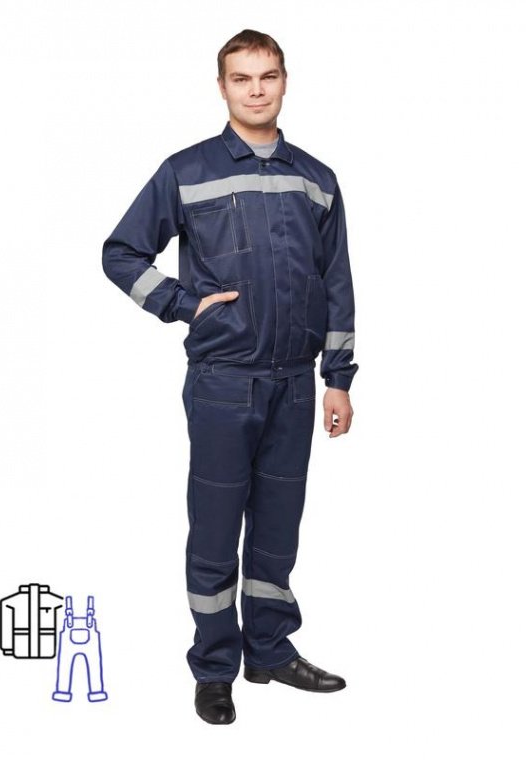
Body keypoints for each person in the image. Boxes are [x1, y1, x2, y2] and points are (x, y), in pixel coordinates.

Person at [102, 29, 358, 725]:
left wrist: (338, 378)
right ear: (222, 87)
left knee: (277, 527)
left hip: (295, 384)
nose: (255, 89)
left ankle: (269, 650)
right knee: (215, 531)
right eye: (241, 78)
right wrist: (182, 304)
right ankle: (214, 668)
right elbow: (121, 252)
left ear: (284, 81)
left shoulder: (317, 178)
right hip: (222, 380)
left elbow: (337, 282)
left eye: (267, 76)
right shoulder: (187, 170)